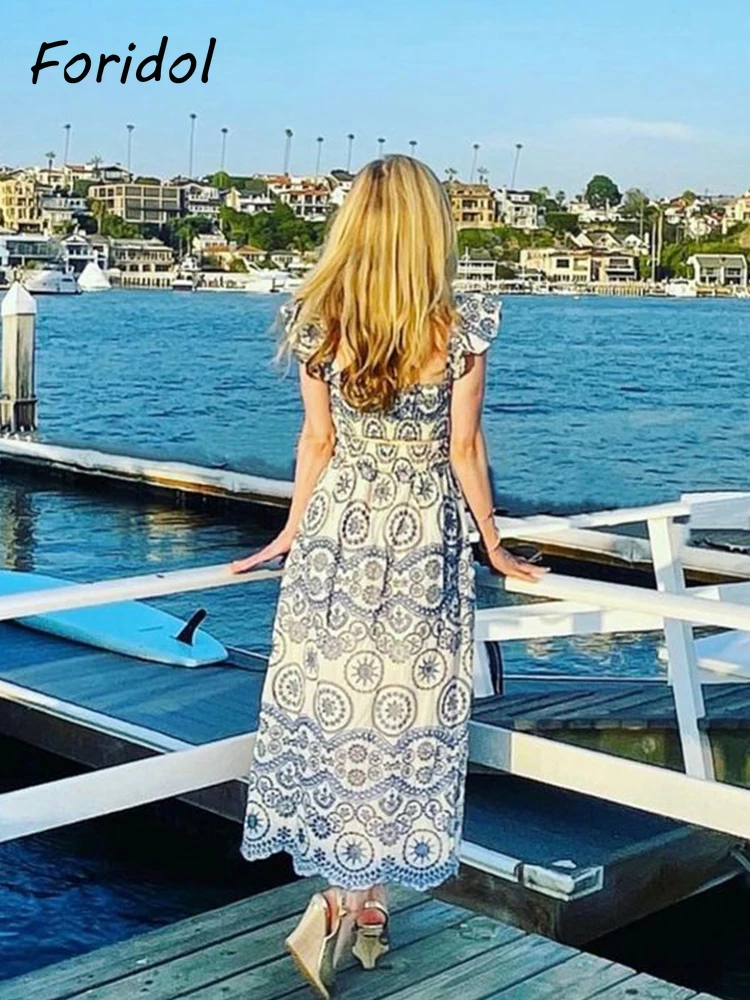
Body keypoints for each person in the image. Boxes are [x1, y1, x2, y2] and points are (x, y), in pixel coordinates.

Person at [231, 154, 547, 998]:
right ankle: (359, 907)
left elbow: (317, 442)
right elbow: (464, 449)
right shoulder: (460, 326)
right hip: (420, 539)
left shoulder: (319, 322)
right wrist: (493, 544)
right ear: (429, 227)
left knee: (334, 706)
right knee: (402, 714)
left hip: (337, 531)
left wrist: (289, 531)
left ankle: (349, 903)